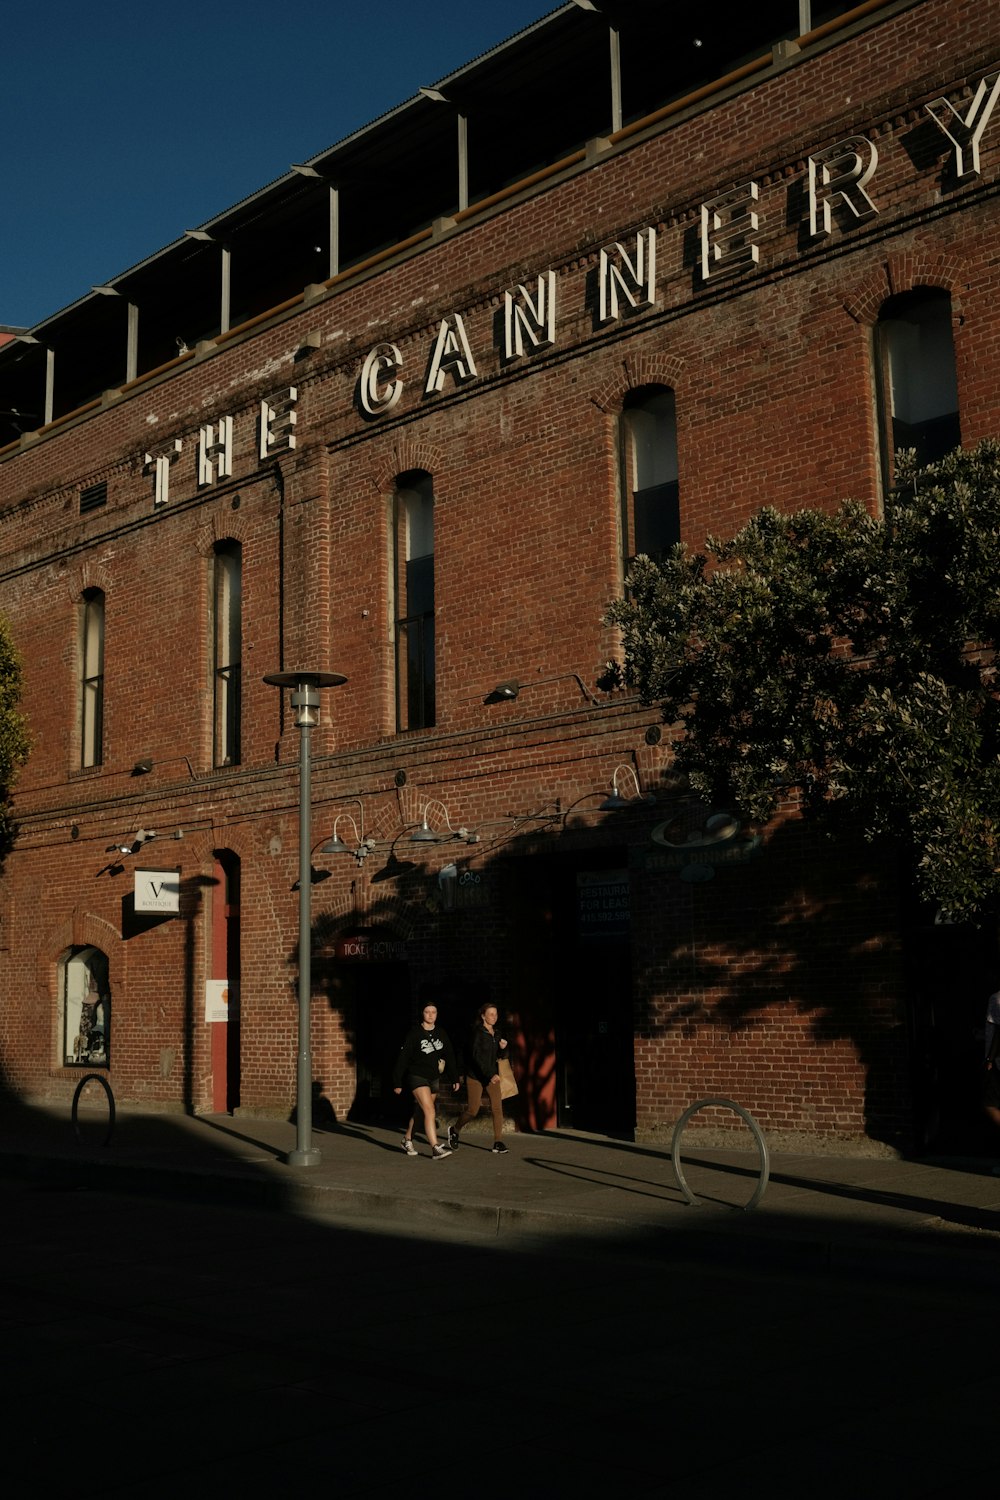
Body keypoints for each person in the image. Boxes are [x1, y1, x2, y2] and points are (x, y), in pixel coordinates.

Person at [393, 1002, 460, 1159]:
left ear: (437, 1014)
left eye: (433, 1012)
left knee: (421, 1112)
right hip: (417, 1076)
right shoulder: (414, 1033)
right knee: (430, 1110)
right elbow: (403, 1058)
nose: (430, 1014)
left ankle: (407, 1140)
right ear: (422, 1014)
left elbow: (449, 1055)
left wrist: (454, 1077)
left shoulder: (441, 1033)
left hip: (434, 1078)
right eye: (427, 1011)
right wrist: (397, 1081)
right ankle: (435, 1148)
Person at [448, 1002, 510, 1154]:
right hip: (476, 1076)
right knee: (473, 1110)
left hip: (491, 1076)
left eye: (495, 1014)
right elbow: (477, 1058)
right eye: (490, 1014)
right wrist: (490, 1074)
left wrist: (503, 1049)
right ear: (483, 1016)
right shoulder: (477, 1033)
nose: (494, 1017)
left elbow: (499, 1057)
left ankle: (498, 1142)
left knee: (497, 1108)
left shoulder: (497, 1033)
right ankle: (455, 1130)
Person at [983, 988, 1000, 1156]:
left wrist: (990, 1058)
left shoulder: (996, 998)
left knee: (990, 1104)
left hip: (998, 1062)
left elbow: (998, 1031)